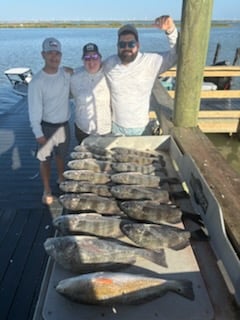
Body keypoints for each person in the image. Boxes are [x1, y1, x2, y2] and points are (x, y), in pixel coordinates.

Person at [103, 15, 178, 136]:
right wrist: (69, 73)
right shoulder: (109, 63)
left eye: (131, 44)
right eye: (122, 44)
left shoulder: (151, 61)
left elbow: (175, 56)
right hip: (115, 128)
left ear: (138, 45)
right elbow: (92, 68)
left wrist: (171, 31)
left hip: (142, 128)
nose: (126, 48)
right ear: (117, 46)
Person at [28, 37, 72, 205]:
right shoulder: (37, 81)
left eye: (57, 53)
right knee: (44, 160)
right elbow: (33, 110)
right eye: (50, 53)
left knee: (61, 156)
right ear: (43, 55)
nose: (54, 57)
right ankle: (46, 189)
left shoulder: (66, 74)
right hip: (46, 126)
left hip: (63, 125)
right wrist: (37, 132)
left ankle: (61, 179)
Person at [70, 42, 111, 144]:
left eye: (95, 57)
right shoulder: (74, 77)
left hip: (106, 130)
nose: (91, 61)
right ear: (82, 60)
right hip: (83, 131)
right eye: (87, 57)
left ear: (100, 58)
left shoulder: (110, 74)